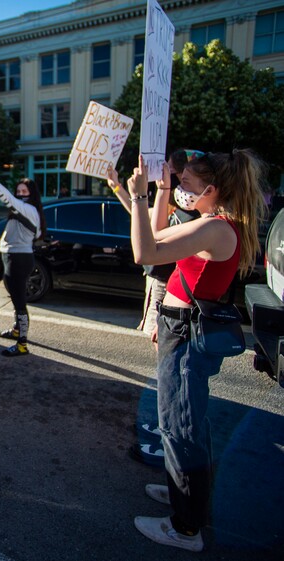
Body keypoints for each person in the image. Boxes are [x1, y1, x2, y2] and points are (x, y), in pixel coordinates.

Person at [127, 150, 266, 551]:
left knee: (179, 425)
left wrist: (137, 197)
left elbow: (145, 254)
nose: (181, 189)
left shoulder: (218, 229)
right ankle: (185, 494)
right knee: (186, 421)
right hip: (178, 328)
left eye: (186, 183)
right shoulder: (210, 223)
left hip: (187, 335)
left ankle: (185, 528)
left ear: (212, 189)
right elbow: (154, 235)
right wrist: (160, 190)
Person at [108, 150, 204, 468]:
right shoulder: (179, 206)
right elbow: (147, 226)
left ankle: (172, 440)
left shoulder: (195, 216)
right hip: (162, 288)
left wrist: (150, 195)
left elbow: (148, 244)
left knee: (171, 369)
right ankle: (168, 431)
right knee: (165, 364)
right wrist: (122, 190)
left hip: (172, 293)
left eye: (177, 175)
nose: (171, 179)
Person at [0, 162, 45, 357]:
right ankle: (18, 330)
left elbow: (7, 198)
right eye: (18, 191)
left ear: (31, 193)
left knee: (19, 302)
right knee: (16, 297)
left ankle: (22, 344)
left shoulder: (27, 209)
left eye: (24, 191)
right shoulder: (29, 210)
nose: (20, 194)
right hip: (16, 257)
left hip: (18, 259)